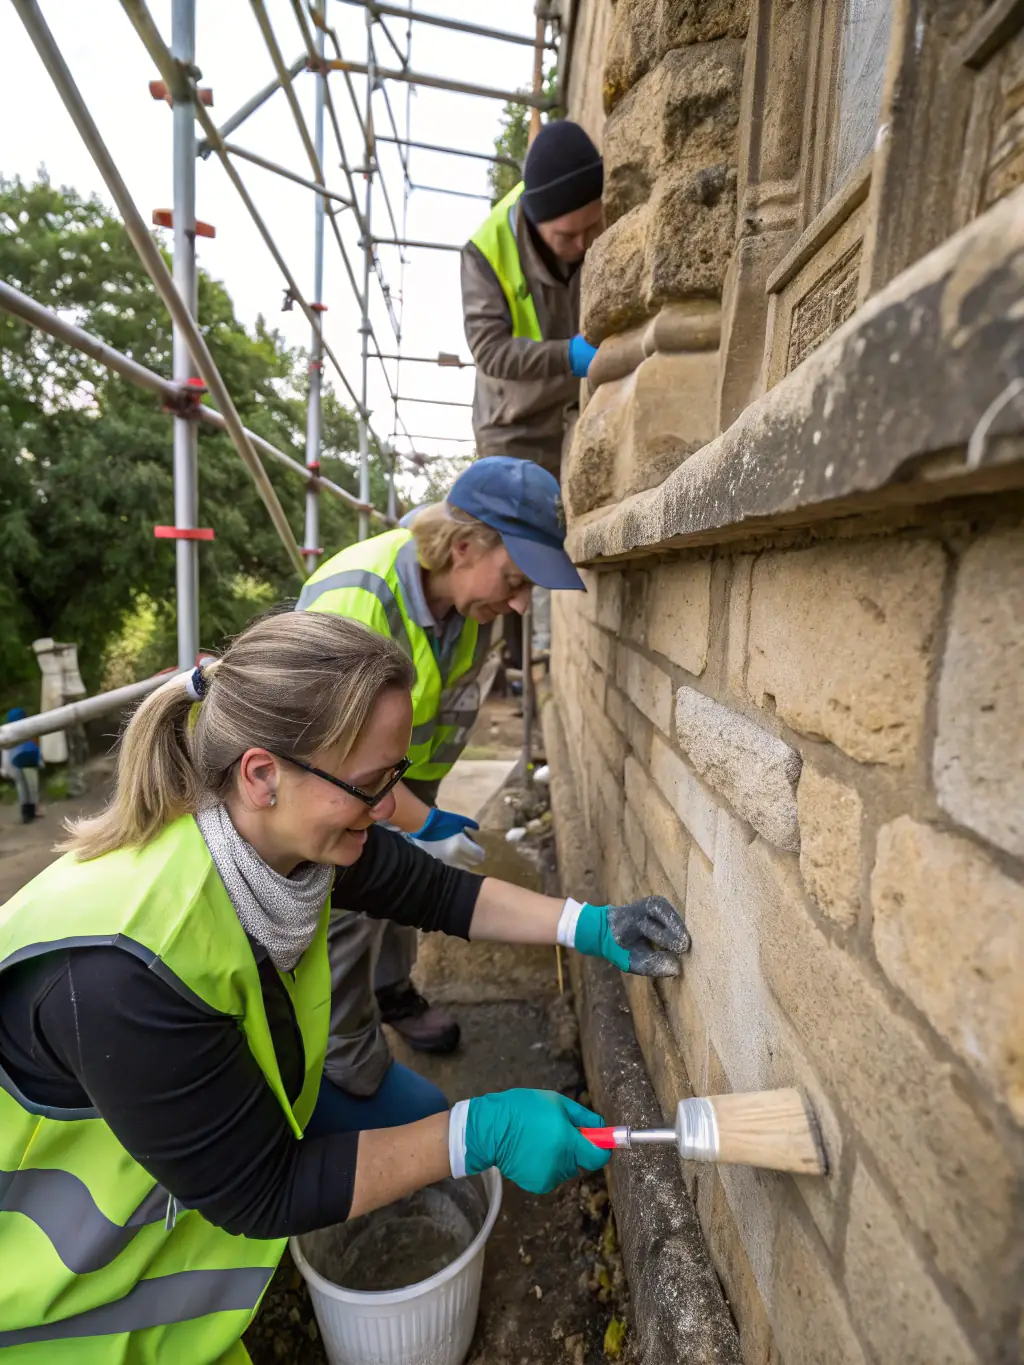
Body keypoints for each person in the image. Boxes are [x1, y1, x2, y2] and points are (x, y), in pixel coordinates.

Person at [0, 610, 689, 1359]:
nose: (390, 807)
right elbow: (263, 1190)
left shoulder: (279, 836)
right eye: (369, 785)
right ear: (263, 773)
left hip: (185, 1175)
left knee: (415, 1113)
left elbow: (434, 892)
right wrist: (481, 1131)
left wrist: (588, 926)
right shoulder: (123, 976)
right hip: (66, 1308)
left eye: (393, 776)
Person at [296, 457, 585, 1123]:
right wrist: (418, 819)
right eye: (514, 579)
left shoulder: (464, 604)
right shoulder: (356, 606)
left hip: (398, 777)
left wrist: (419, 809)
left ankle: (393, 991)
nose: (517, 603)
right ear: (463, 547)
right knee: (342, 910)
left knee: (400, 891)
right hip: (332, 789)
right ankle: (346, 1071)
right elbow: (329, 774)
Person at [461, 118, 604, 478]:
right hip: (514, 430)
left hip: (576, 406)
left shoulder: (594, 227)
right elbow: (490, 351)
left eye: (592, 227)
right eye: (567, 236)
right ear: (536, 221)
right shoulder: (484, 253)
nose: (583, 244)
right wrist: (567, 355)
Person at [2, 707, 42, 824]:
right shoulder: (25, 730)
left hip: (13, 764)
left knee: (23, 789)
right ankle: (29, 812)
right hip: (22, 763)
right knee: (30, 787)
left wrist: (4, 769)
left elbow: (5, 752)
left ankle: (27, 812)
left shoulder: (6, 731)